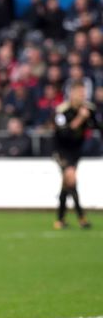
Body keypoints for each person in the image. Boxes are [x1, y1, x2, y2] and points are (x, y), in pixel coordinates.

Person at [52, 81, 102, 230]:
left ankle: (60, 219)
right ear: (72, 93)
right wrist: (80, 118)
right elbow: (63, 133)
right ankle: (81, 217)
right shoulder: (62, 111)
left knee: (66, 185)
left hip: (75, 152)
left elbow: (97, 126)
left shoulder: (89, 109)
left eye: (84, 93)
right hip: (60, 150)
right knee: (71, 179)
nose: (83, 96)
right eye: (80, 93)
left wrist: (89, 118)